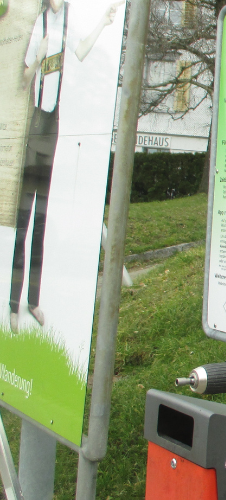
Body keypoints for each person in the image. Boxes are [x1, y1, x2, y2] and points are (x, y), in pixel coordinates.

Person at [10, 0, 120, 330]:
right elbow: (24, 78)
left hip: (54, 124)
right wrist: (40, 53)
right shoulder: (39, 25)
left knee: (41, 217)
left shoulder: (67, 22)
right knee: (24, 218)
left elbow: (83, 51)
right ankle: (14, 305)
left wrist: (103, 21)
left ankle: (33, 301)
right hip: (36, 123)